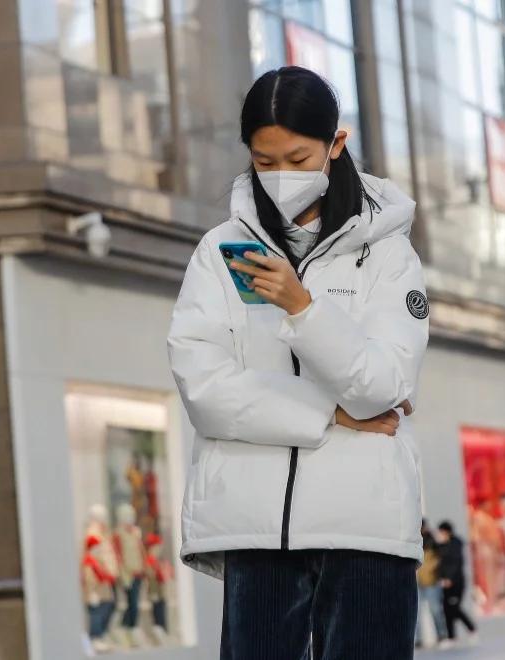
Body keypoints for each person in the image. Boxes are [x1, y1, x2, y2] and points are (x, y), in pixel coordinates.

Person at [168, 66, 429, 659]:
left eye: (297, 156)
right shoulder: (218, 255)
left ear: (336, 143)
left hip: (365, 527)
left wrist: (303, 308)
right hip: (255, 529)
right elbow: (205, 391)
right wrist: (327, 413)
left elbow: (383, 386)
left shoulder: (389, 256)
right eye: (264, 161)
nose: (281, 176)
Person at [436, 521, 478, 648]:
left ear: (446, 532)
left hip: (456, 583)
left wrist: (449, 578)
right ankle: (451, 637)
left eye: (441, 532)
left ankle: (472, 629)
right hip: (444, 582)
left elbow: (455, 564)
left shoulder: (455, 544)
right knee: (446, 609)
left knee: (454, 608)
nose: (439, 534)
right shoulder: (442, 545)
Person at [416, 520, 446, 648]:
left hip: (431, 581)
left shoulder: (433, 542)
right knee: (416, 613)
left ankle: (442, 635)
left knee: (435, 610)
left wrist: (434, 569)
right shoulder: (414, 542)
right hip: (417, 582)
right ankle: (417, 640)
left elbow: (441, 559)